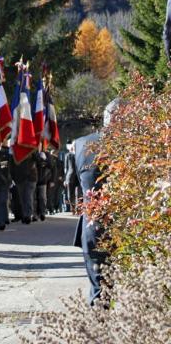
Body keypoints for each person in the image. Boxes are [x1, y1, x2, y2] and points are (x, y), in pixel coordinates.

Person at [73, 98, 120, 305]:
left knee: (98, 287)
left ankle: (98, 329)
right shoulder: (128, 145)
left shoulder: (81, 143)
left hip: (90, 222)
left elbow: (77, 181)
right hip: (119, 222)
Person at [10, 153, 37, 224]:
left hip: (30, 178)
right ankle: (24, 215)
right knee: (22, 198)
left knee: (28, 196)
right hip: (19, 178)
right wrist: (13, 178)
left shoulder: (32, 151)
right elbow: (12, 166)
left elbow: (38, 161)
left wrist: (36, 153)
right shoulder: (16, 151)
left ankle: (28, 215)